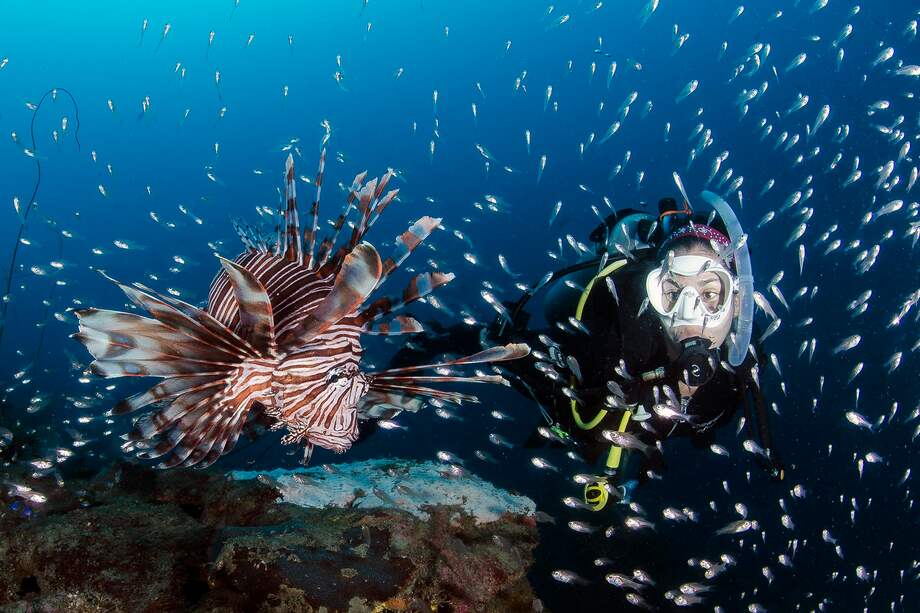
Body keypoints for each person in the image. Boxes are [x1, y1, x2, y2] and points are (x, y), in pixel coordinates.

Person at [391, 192, 784, 511]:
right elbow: (587, 428)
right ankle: (433, 340)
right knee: (508, 353)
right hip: (576, 374)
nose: (688, 313)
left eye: (710, 294)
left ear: (738, 302)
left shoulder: (744, 356)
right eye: (672, 292)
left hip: (650, 425)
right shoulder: (622, 338)